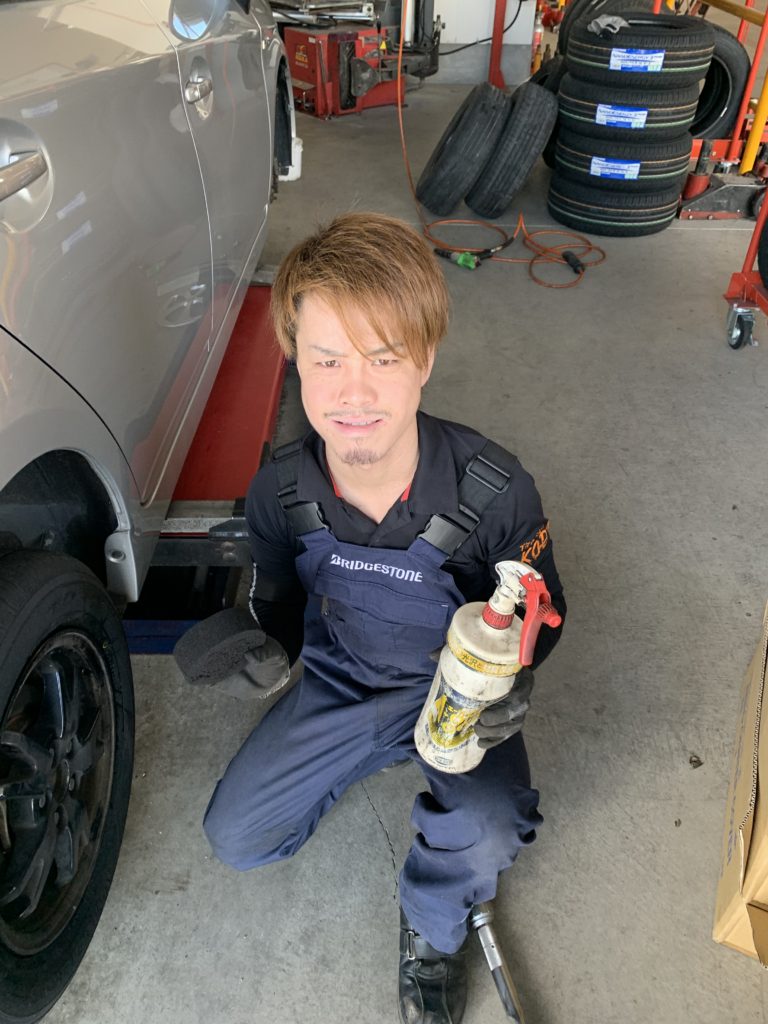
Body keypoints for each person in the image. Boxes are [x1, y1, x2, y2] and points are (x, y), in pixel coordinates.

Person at [201, 212, 566, 1024]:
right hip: (343, 678)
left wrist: (515, 682)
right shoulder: (280, 491)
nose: (353, 393)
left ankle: (435, 922)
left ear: (425, 360)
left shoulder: (492, 491)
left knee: (490, 826)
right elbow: (278, 598)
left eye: (383, 357)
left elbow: (547, 609)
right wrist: (258, 647)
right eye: (326, 359)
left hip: (455, 695)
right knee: (238, 839)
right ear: (296, 362)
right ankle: (363, 753)